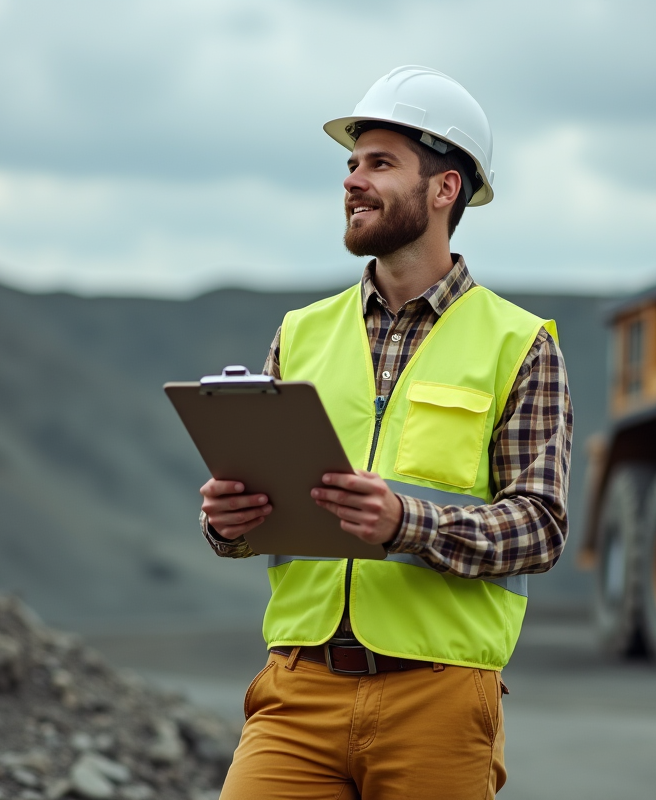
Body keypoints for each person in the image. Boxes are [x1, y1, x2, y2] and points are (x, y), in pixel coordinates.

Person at [199, 65, 573, 800]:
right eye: (351, 164)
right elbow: (260, 512)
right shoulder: (300, 333)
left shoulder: (520, 344)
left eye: (379, 164)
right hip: (296, 687)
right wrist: (227, 522)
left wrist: (408, 523)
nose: (353, 180)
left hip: (438, 695)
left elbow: (540, 528)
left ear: (444, 189)